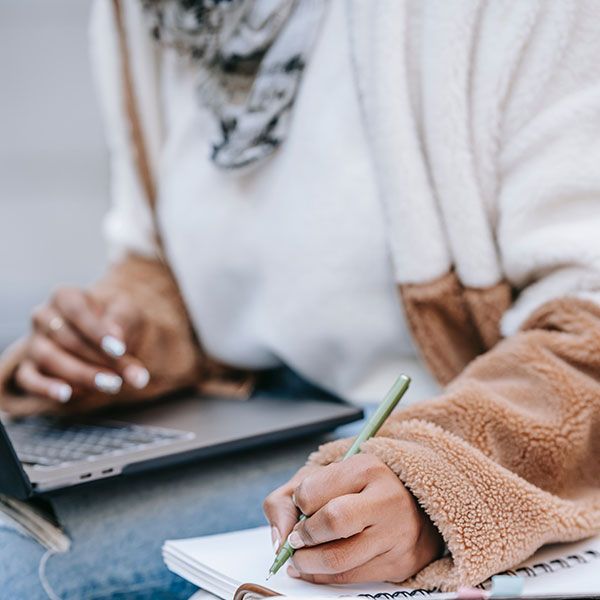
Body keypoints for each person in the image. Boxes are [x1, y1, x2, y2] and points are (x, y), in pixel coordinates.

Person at [1, 0, 600, 597]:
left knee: (15, 564)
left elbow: (587, 324)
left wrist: (436, 479)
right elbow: (161, 263)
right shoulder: (151, 13)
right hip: (244, 414)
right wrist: (121, 339)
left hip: (426, 429)